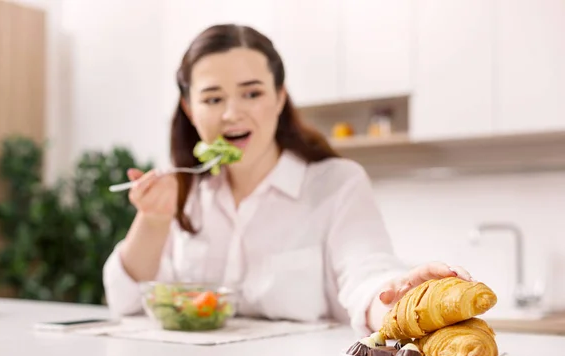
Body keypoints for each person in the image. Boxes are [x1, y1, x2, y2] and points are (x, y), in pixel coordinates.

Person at [102, 24, 473, 336]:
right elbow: (124, 302)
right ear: (189, 108)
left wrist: (404, 301)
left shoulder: (337, 183)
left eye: (252, 93)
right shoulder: (184, 191)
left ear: (280, 97)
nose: (232, 114)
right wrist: (152, 220)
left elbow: (367, 278)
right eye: (213, 99)